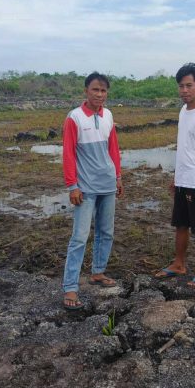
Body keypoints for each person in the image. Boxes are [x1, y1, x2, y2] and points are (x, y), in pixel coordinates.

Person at [61, 72, 124, 310]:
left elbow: (113, 148)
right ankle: (70, 287)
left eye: (103, 91)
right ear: (86, 91)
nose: (99, 95)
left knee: (106, 232)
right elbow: (68, 153)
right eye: (95, 90)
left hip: (107, 184)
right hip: (85, 188)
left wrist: (118, 177)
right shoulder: (74, 118)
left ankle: (98, 272)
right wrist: (72, 186)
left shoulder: (108, 115)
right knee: (79, 237)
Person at [154, 62, 195, 287]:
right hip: (183, 180)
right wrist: (176, 177)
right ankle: (179, 264)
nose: (184, 90)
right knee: (181, 224)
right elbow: (185, 148)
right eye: (181, 86)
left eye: (189, 85)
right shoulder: (183, 110)